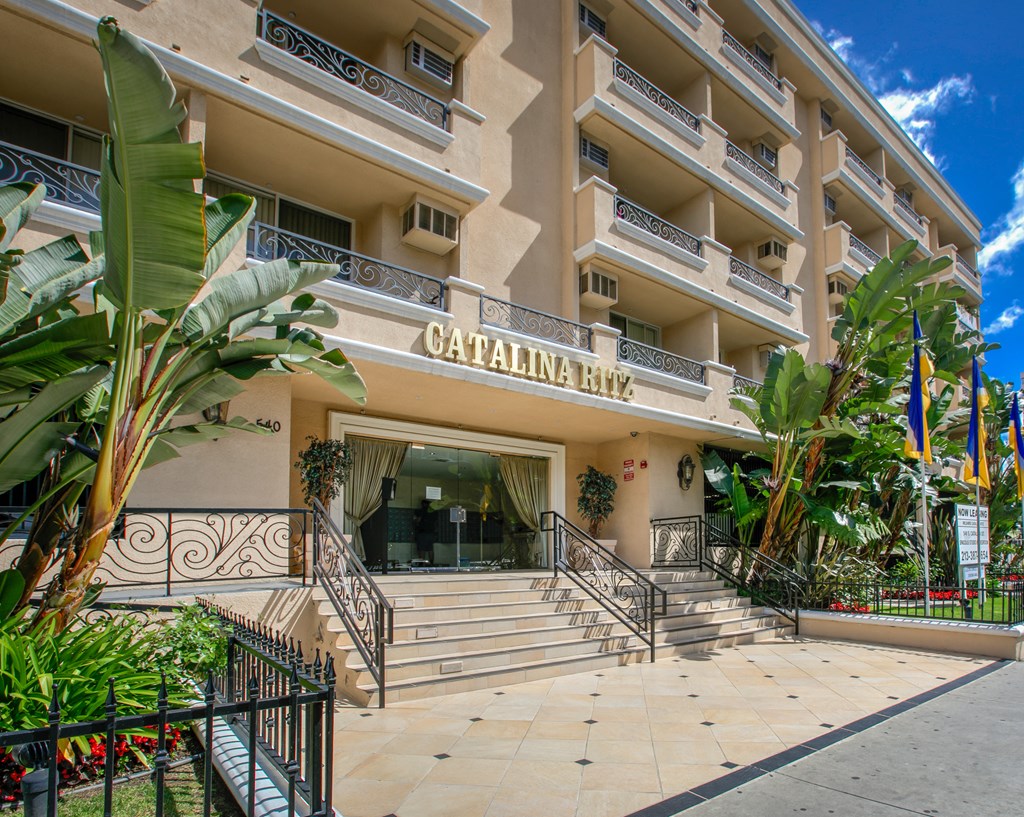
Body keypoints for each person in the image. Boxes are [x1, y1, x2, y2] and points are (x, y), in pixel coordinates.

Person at [413, 500, 436, 565]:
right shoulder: (433, 512)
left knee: (421, 549)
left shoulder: (420, 511)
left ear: (422, 504)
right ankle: (431, 563)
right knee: (430, 549)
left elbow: (417, 520)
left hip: (422, 533)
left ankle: (421, 564)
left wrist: (416, 522)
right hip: (431, 533)